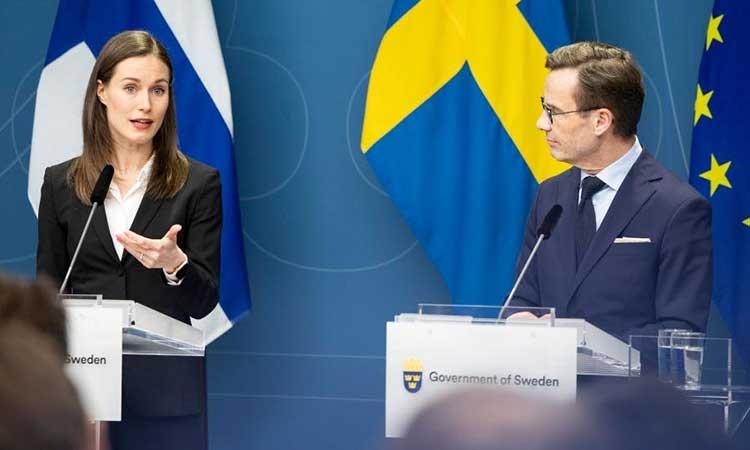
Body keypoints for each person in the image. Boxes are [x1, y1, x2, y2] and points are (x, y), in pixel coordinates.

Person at [36, 30, 221, 450]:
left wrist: (175, 264)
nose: (145, 105)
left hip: (167, 400)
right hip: (83, 398)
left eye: (158, 90)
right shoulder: (61, 183)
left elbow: (204, 300)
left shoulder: (198, 183)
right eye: (131, 88)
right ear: (101, 91)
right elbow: (47, 293)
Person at [509, 42, 712, 342]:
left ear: (601, 120)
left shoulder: (678, 208)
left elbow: (679, 336)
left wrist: (578, 344)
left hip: (627, 389)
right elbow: (521, 300)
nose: (541, 124)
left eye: (553, 112)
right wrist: (518, 319)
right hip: (546, 387)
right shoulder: (549, 196)